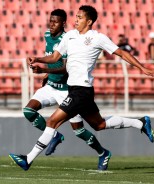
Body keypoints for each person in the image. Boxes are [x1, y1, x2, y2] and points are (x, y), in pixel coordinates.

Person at [9, 5, 154, 171]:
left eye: (79, 18)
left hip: (82, 91)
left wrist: (142, 68)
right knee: (99, 124)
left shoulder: (98, 38)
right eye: (76, 16)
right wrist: (38, 59)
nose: (76, 20)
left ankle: (27, 160)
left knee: (52, 121)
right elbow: (54, 57)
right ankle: (140, 123)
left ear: (89, 22)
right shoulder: (70, 36)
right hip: (76, 90)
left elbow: (122, 54)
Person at [22, 9, 110, 170]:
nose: (52, 24)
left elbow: (66, 67)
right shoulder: (47, 35)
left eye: (55, 22)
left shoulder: (70, 38)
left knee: (79, 130)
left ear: (63, 24)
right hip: (51, 87)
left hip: (66, 91)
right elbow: (51, 57)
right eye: (50, 21)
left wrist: (45, 70)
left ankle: (102, 152)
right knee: (28, 111)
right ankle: (54, 135)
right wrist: (48, 75)